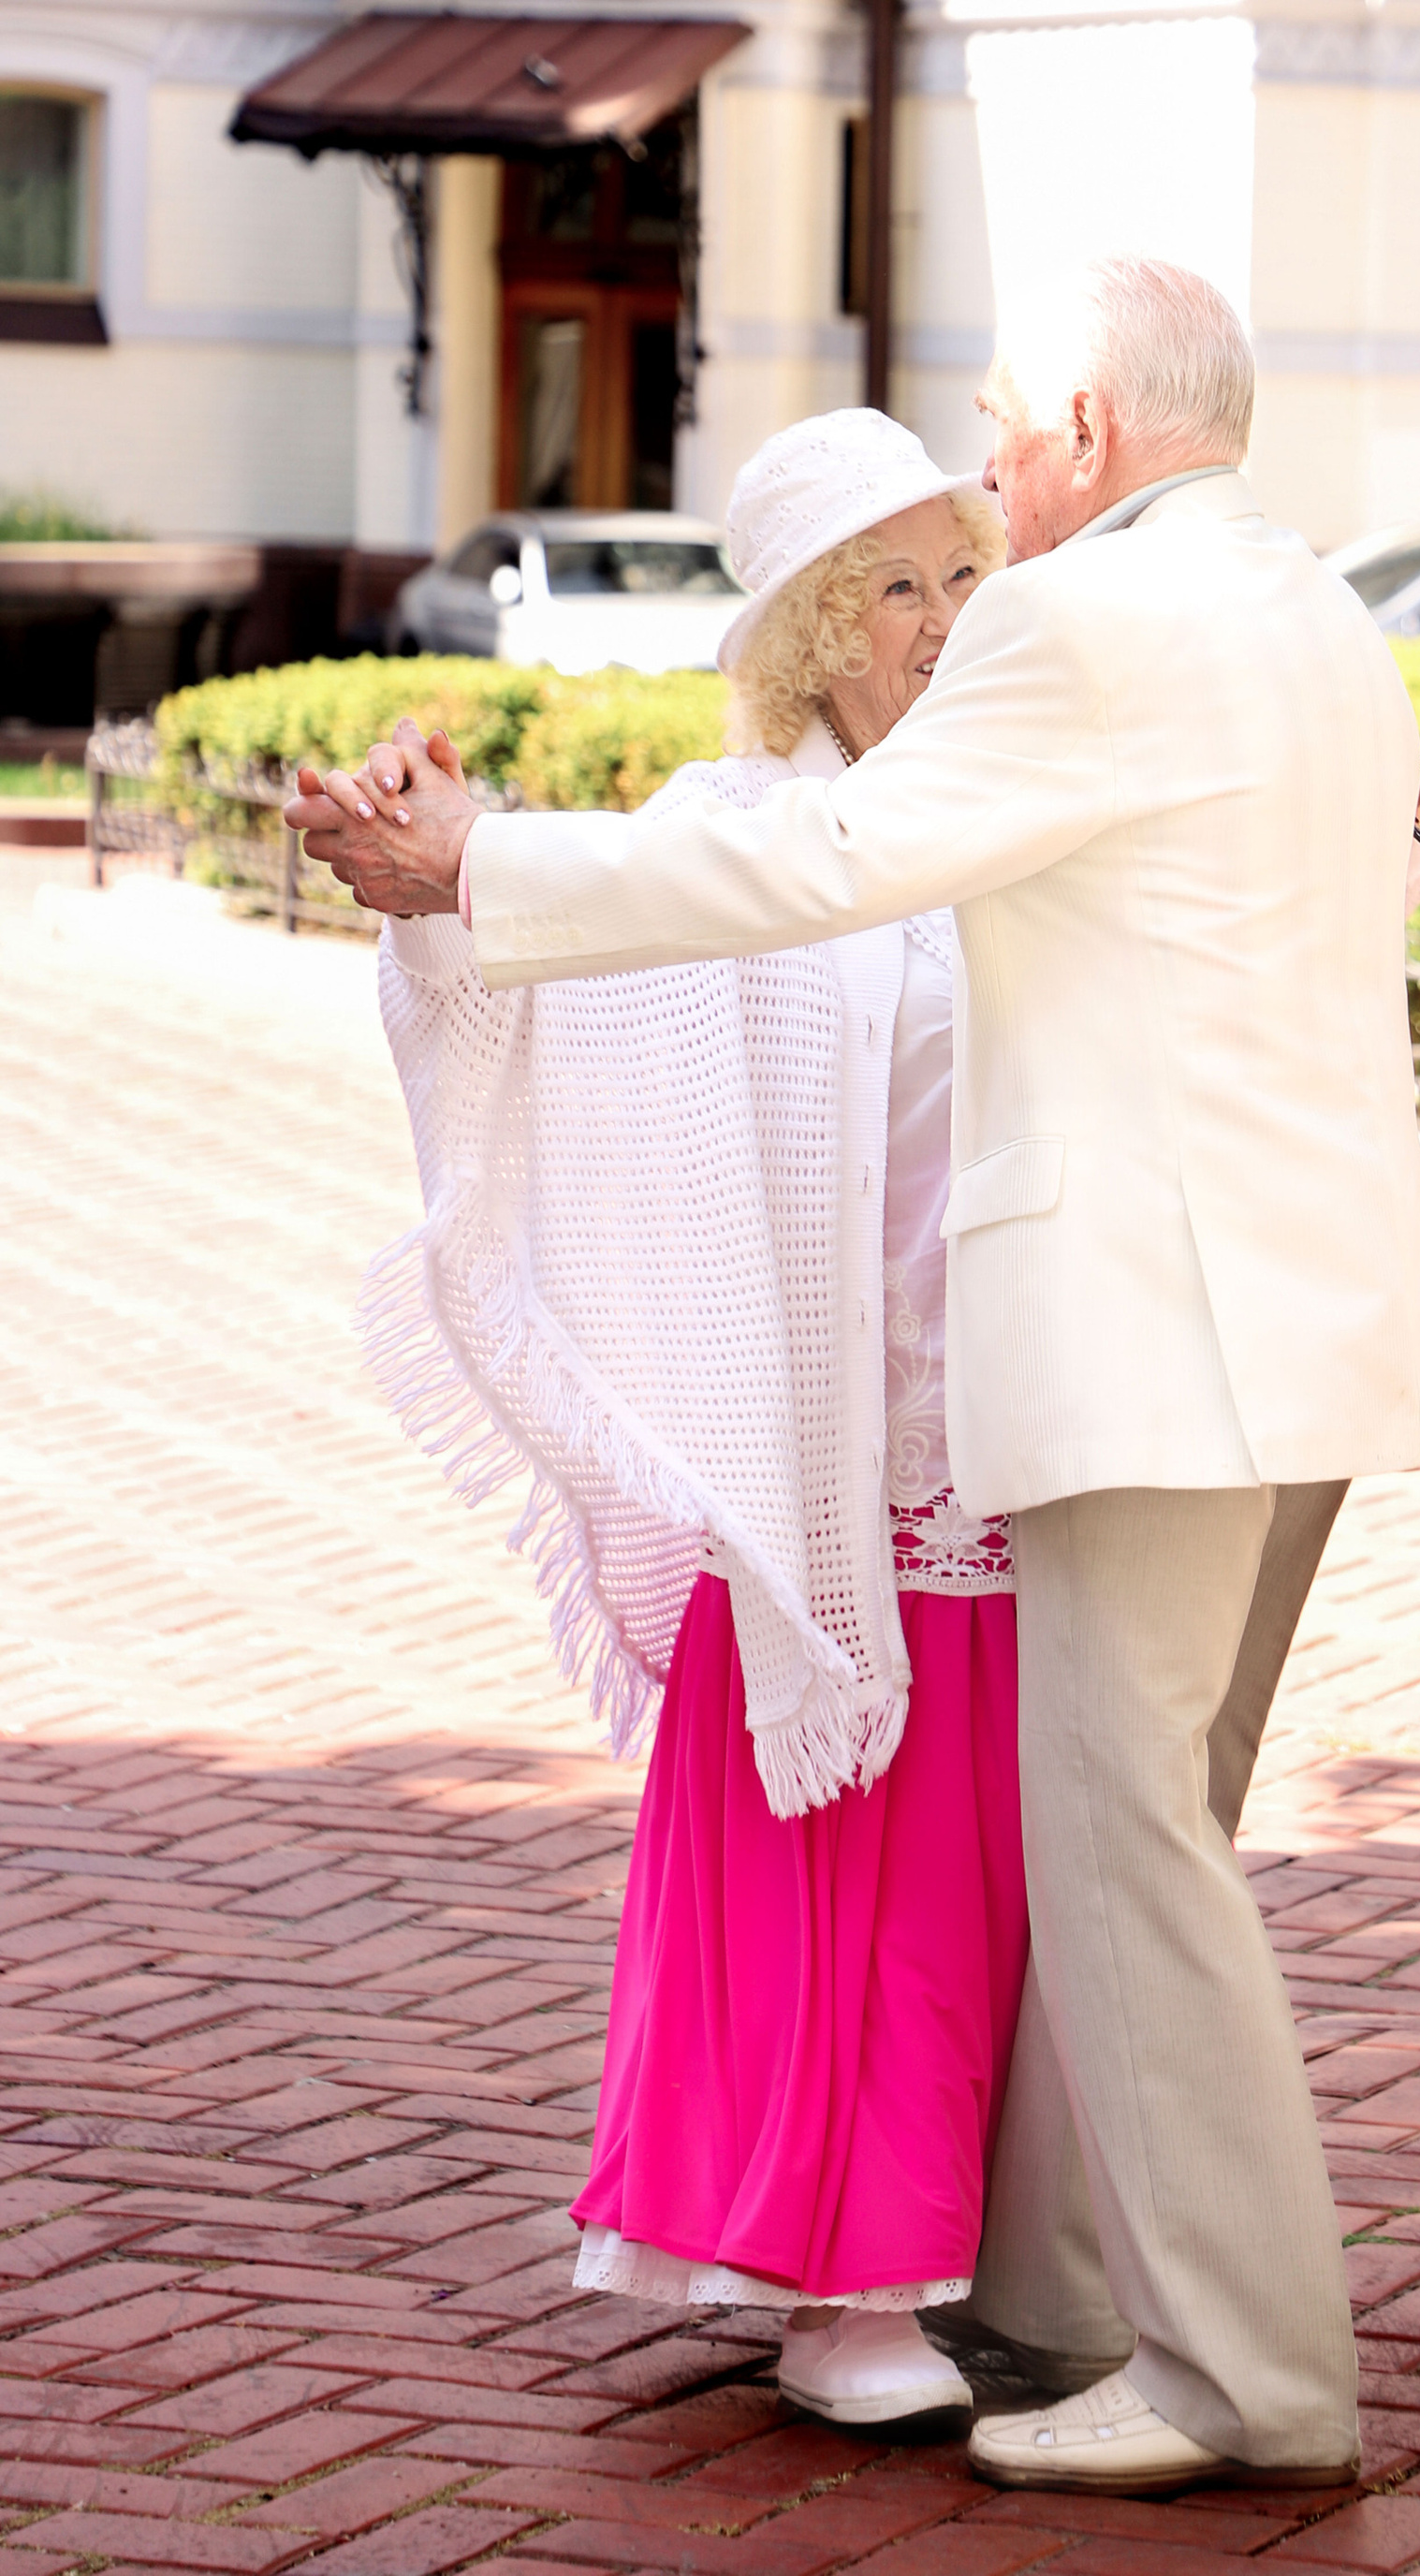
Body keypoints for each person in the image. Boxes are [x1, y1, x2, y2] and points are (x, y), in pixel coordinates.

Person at [290, 254, 1420, 2498]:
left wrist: (479, 858)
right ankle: (1035, 2301)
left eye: (993, 430)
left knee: (1128, 1858)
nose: (983, 481)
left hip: (1160, 1339)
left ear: (1075, 422)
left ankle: (1241, 2378)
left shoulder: (1084, 618)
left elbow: (835, 855)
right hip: (1320, 1317)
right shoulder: (1321, 613)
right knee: (1142, 1851)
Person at [358, 412, 1021, 2436]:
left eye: (962, 577)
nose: (934, 622)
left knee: (989, 1881)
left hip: (1005, 1430)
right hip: (816, 1443)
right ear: (813, 631)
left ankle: (985, 2256)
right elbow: (566, 995)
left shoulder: (1018, 802)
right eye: (889, 588)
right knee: (845, 1872)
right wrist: (448, 884)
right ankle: (838, 2294)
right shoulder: (730, 816)